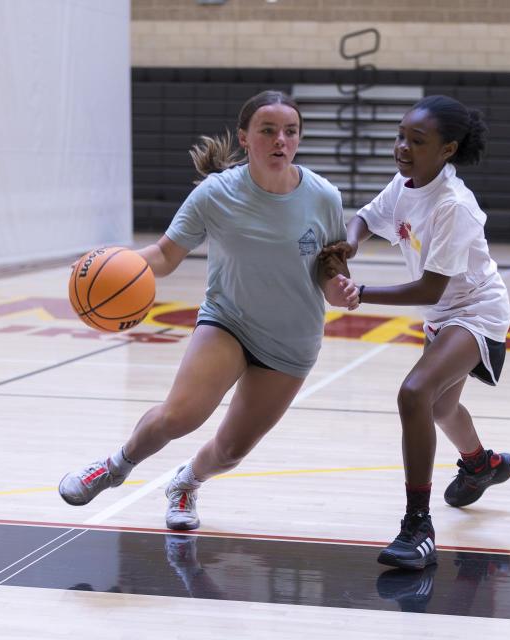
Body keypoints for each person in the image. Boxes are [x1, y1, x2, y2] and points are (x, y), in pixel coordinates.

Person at [59, 90, 357, 530]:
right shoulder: (215, 194)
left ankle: (186, 483)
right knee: (181, 415)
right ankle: (115, 465)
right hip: (229, 322)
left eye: (290, 132)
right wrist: (106, 264)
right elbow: (164, 255)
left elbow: (329, 268)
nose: (281, 141)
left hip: (292, 341)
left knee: (232, 451)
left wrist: (339, 289)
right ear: (245, 137)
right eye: (268, 131)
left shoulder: (323, 196)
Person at [328, 95, 510, 570]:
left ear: (447, 149)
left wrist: (360, 292)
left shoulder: (455, 206)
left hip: (476, 311)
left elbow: (430, 285)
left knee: (414, 393)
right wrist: (350, 243)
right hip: (443, 312)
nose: (402, 148)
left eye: (416, 140)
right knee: (441, 406)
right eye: (401, 136)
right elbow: (367, 216)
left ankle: (418, 525)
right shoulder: (406, 183)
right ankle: (479, 464)